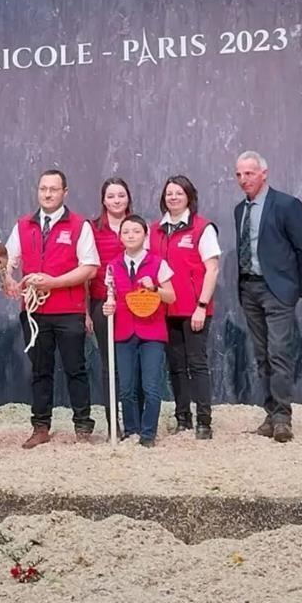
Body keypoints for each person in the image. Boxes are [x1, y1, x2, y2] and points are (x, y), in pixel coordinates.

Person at [3, 169, 100, 448]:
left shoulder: (79, 226)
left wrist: (54, 283)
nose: (47, 194)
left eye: (54, 189)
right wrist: (8, 278)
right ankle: (40, 426)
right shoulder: (23, 225)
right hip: (34, 314)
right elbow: (8, 259)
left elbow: (90, 267)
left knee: (75, 369)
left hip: (69, 311)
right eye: (43, 188)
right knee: (40, 370)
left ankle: (82, 426)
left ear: (64, 193)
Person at [234, 151, 302, 443]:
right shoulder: (239, 210)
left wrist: (298, 288)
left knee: (278, 353)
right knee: (261, 356)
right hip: (250, 289)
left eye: (250, 173)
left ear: (264, 173)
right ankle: (270, 414)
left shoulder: (286, 205)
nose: (244, 179)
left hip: (278, 291)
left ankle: (283, 418)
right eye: (239, 174)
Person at [149, 175, 221, 440]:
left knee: (197, 364)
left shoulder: (203, 228)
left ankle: (204, 420)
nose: (173, 197)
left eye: (179, 193)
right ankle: (183, 418)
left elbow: (212, 269)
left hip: (194, 311)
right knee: (176, 366)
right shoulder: (154, 229)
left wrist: (201, 305)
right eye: (169, 193)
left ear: (189, 196)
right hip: (166, 310)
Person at [103, 215, 176, 447]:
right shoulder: (113, 267)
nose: (131, 235)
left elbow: (171, 296)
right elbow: (111, 296)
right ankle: (131, 430)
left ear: (145, 235)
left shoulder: (158, 263)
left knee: (151, 386)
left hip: (152, 332)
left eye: (136, 231)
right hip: (124, 331)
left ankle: (148, 434)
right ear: (120, 236)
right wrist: (109, 305)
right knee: (126, 388)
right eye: (126, 232)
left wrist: (154, 287)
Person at [86, 177, 132, 437]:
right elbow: (86, 270)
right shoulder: (92, 229)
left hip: (133, 305)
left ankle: (135, 422)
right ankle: (113, 424)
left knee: (131, 362)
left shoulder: (137, 227)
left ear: (128, 198)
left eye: (121, 196)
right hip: (102, 303)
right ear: (104, 200)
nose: (116, 200)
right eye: (111, 196)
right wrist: (85, 312)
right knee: (108, 365)